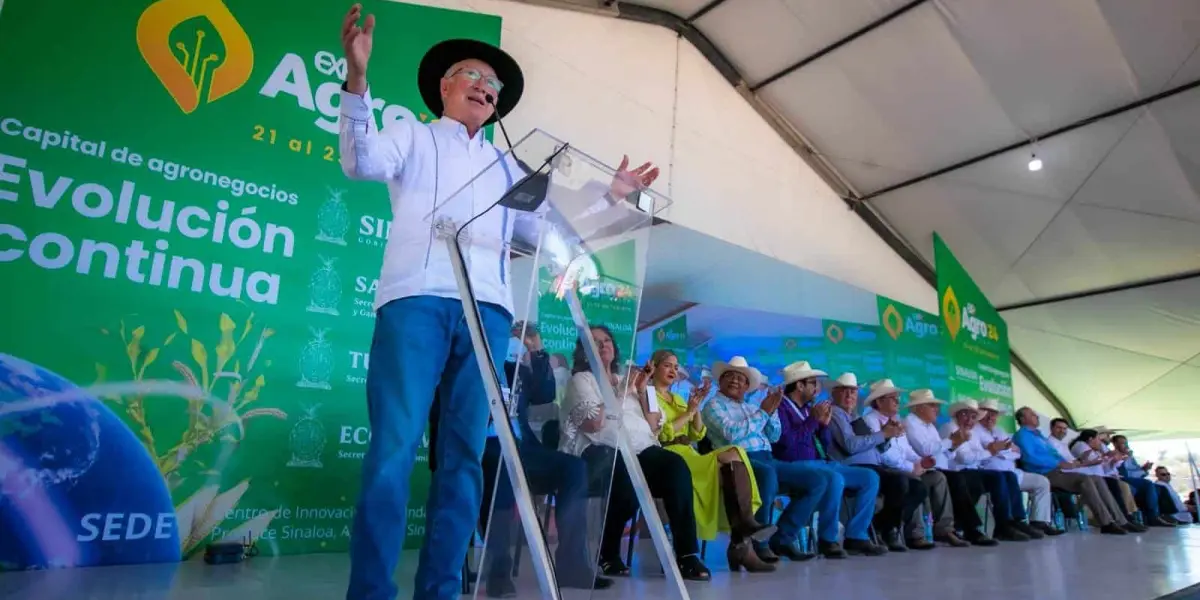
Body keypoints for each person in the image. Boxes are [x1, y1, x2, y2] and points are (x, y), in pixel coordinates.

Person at [337, 5, 662, 599]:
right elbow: (360, 160)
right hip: (416, 301)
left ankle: (440, 590)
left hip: (487, 312)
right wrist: (357, 79)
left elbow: (550, 233)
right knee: (393, 449)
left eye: (494, 84)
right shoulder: (410, 131)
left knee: (463, 458)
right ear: (443, 87)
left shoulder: (505, 164)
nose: (486, 88)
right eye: (472, 76)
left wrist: (611, 199)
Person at [428, 323, 612, 597]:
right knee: (500, 465)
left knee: (574, 467)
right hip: (482, 448)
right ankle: (499, 572)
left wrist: (536, 350)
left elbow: (545, 393)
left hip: (523, 448)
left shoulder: (514, 371)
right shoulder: (462, 367)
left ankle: (572, 563)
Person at [559, 326, 712, 581]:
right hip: (599, 450)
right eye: (595, 342)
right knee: (625, 474)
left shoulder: (632, 380)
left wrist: (642, 390)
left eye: (607, 340)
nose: (603, 345)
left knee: (676, 466)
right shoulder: (582, 380)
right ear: (584, 351)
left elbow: (654, 426)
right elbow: (593, 424)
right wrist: (622, 390)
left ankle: (686, 555)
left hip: (640, 448)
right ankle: (608, 553)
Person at [644, 349, 777, 572]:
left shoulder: (677, 398)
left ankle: (743, 531)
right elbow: (661, 434)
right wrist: (691, 411)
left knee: (735, 454)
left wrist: (695, 407)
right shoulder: (649, 394)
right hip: (669, 456)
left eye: (676, 367)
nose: (673, 370)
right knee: (735, 456)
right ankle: (743, 537)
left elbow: (696, 434)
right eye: (667, 365)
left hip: (690, 452)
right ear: (654, 367)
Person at [701, 356, 821, 564]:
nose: (735, 381)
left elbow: (773, 436)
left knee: (817, 480)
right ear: (720, 381)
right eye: (729, 376)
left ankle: (782, 538)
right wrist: (764, 412)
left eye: (741, 378)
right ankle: (759, 544)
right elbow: (732, 434)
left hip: (767, 458)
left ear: (748, 386)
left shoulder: (751, 407)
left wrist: (771, 411)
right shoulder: (712, 405)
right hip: (736, 462)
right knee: (767, 473)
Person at [772, 363, 888, 557]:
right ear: (800, 386)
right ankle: (828, 539)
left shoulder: (809, 409)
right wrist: (812, 422)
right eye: (813, 383)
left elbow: (823, 447)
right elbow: (787, 445)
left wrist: (823, 426)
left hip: (820, 462)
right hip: (794, 463)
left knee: (869, 477)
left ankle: (856, 535)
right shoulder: (781, 407)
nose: (817, 388)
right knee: (834, 478)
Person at [828, 378, 930, 552]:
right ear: (834, 393)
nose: (849, 395)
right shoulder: (836, 414)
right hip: (854, 466)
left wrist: (888, 435)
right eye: (844, 390)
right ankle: (885, 530)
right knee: (899, 483)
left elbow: (876, 447)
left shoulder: (855, 416)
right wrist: (883, 434)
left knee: (918, 487)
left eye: (853, 391)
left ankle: (882, 525)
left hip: (874, 465)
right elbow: (850, 446)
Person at [1011, 408, 1134, 535]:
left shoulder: (1039, 435)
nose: (1036, 416)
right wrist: (1059, 463)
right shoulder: (1022, 435)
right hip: (1044, 472)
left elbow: (1054, 455)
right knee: (1085, 479)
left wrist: (1072, 463)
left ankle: (1121, 520)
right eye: (1032, 415)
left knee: (1097, 479)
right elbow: (1030, 457)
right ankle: (1106, 522)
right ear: (1022, 419)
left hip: (1059, 470)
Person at [898, 390, 997, 547]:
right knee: (956, 479)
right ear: (919, 408)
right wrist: (951, 441)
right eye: (933, 406)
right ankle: (963, 529)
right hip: (921, 469)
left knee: (970, 479)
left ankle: (955, 528)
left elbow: (946, 455)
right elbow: (926, 450)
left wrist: (954, 445)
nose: (936, 409)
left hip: (936, 468)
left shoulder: (930, 426)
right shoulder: (911, 422)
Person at [940, 400, 1041, 541]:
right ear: (956, 415)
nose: (970, 420)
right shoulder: (950, 428)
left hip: (973, 470)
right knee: (996, 478)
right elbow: (965, 458)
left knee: (1008, 476)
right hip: (958, 471)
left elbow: (1014, 452)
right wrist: (991, 450)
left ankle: (1015, 520)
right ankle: (995, 526)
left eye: (973, 417)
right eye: (965, 415)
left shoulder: (972, 431)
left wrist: (990, 451)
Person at [973, 400, 1064, 536]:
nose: (991, 418)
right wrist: (1003, 450)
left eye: (994, 415)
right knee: (1005, 478)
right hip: (990, 473)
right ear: (980, 414)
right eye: (987, 414)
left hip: (1011, 472)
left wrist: (1000, 450)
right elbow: (986, 453)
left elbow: (1017, 453)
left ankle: (1038, 521)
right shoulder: (975, 430)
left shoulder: (999, 430)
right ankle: (1009, 523)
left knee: (1041, 482)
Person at [1113, 435, 1175, 526]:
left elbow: (1136, 469)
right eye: (1122, 443)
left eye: (1126, 443)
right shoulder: (1115, 455)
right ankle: (1153, 517)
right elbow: (1125, 473)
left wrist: (1144, 469)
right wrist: (1125, 459)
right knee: (1148, 484)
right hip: (1123, 478)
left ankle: (1164, 515)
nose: (1126, 445)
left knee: (1158, 488)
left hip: (1135, 479)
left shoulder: (1130, 456)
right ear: (1115, 444)